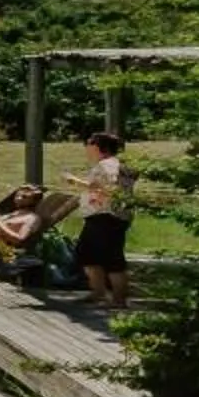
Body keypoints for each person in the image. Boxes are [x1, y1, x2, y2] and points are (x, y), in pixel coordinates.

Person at [73, 132, 133, 308]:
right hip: (102, 216)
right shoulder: (121, 165)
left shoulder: (107, 165)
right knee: (86, 254)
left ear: (99, 147)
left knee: (112, 258)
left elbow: (109, 187)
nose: (87, 148)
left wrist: (75, 181)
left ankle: (119, 299)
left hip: (107, 216)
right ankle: (98, 292)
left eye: (90, 144)